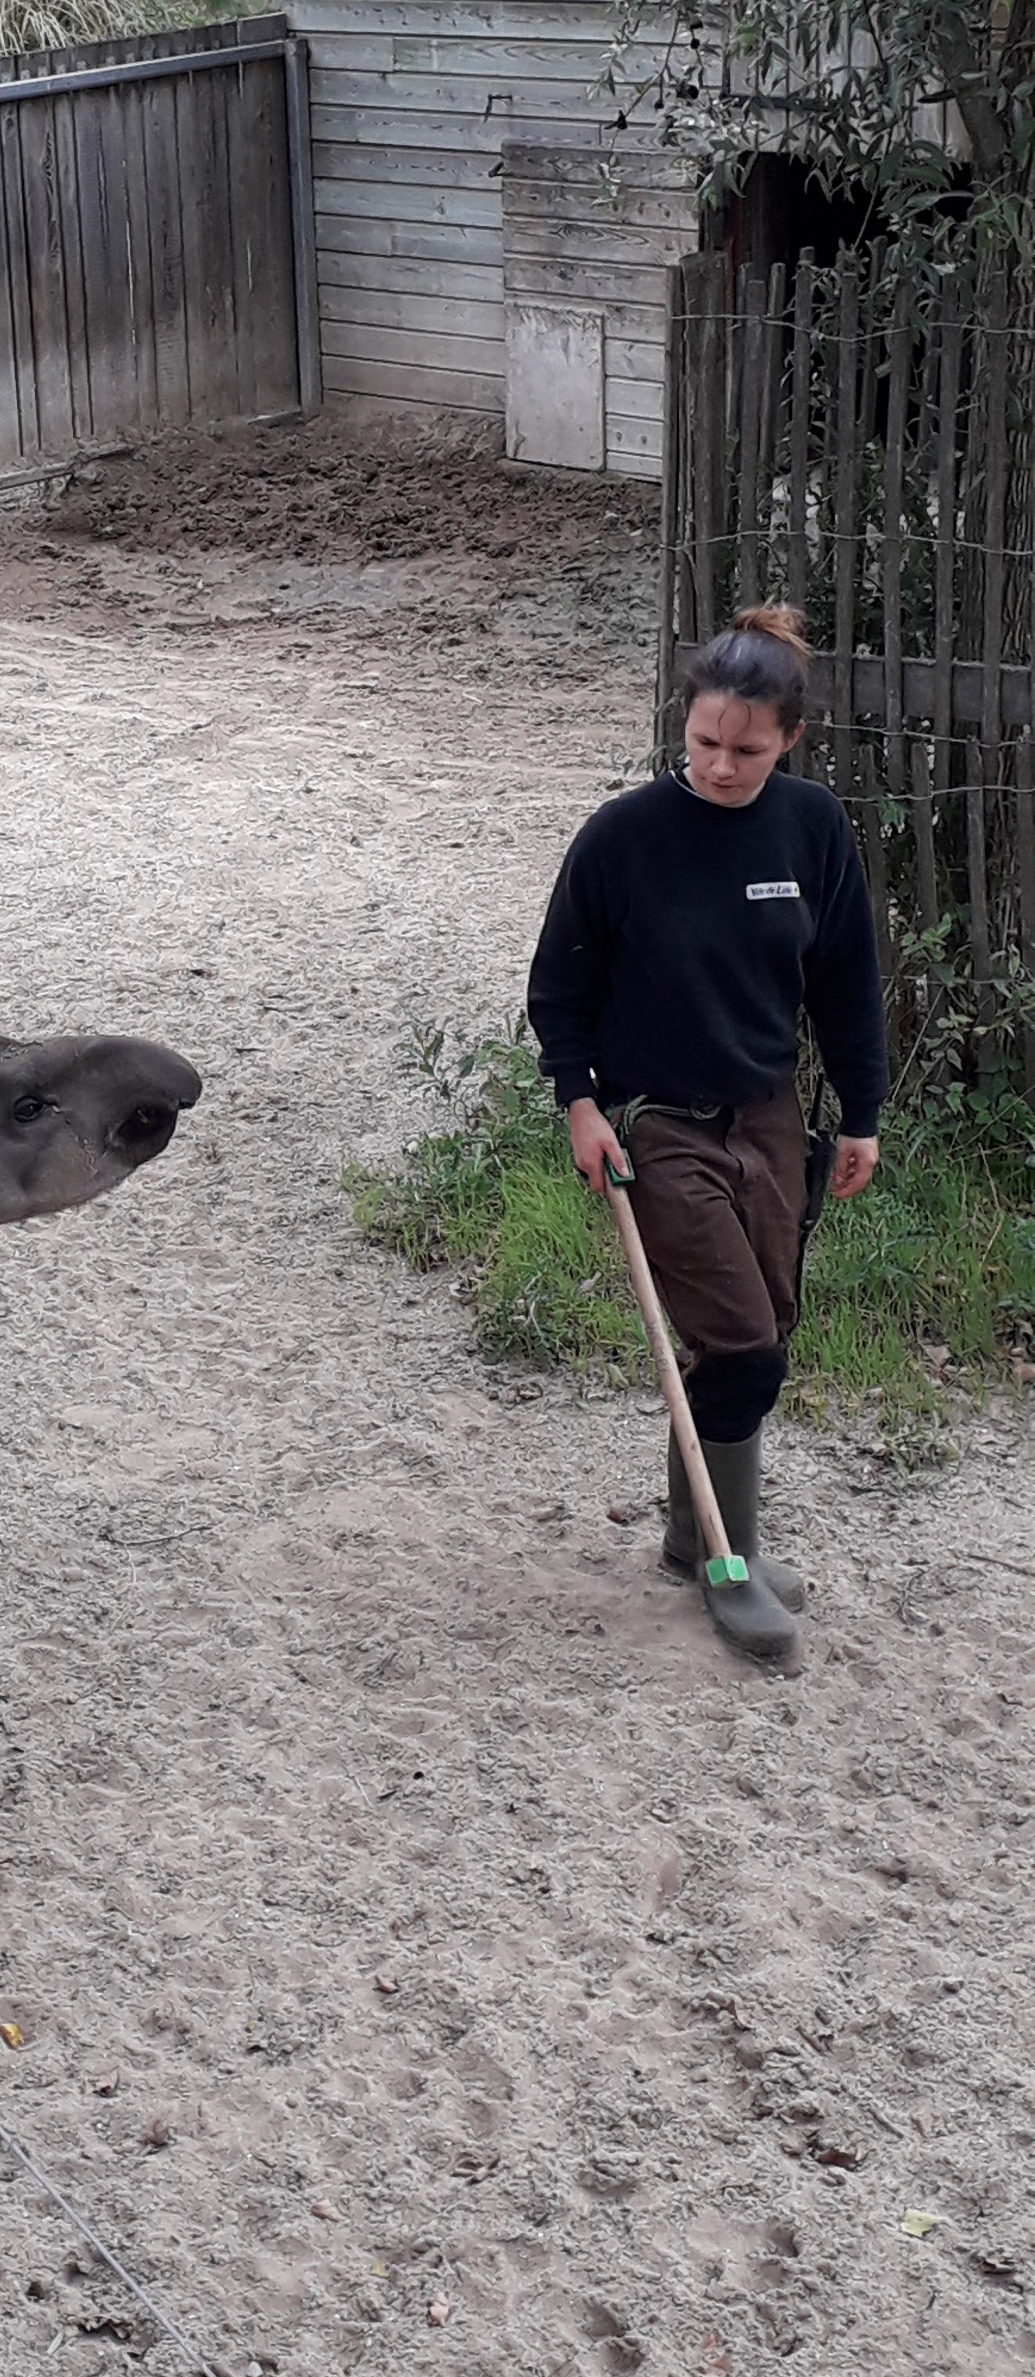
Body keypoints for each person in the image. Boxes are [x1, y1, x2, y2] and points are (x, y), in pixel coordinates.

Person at [526, 604, 885, 1660]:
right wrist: (579, 1104)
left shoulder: (813, 830)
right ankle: (734, 1564)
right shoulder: (622, 839)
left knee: (764, 1331)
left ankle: (696, 1539)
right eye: (704, 745)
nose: (723, 767)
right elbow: (560, 987)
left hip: (768, 1121)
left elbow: (847, 984)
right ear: (683, 728)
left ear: (791, 742)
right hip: (654, 1128)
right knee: (742, 1347)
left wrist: (859, 1115)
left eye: (748, 749)